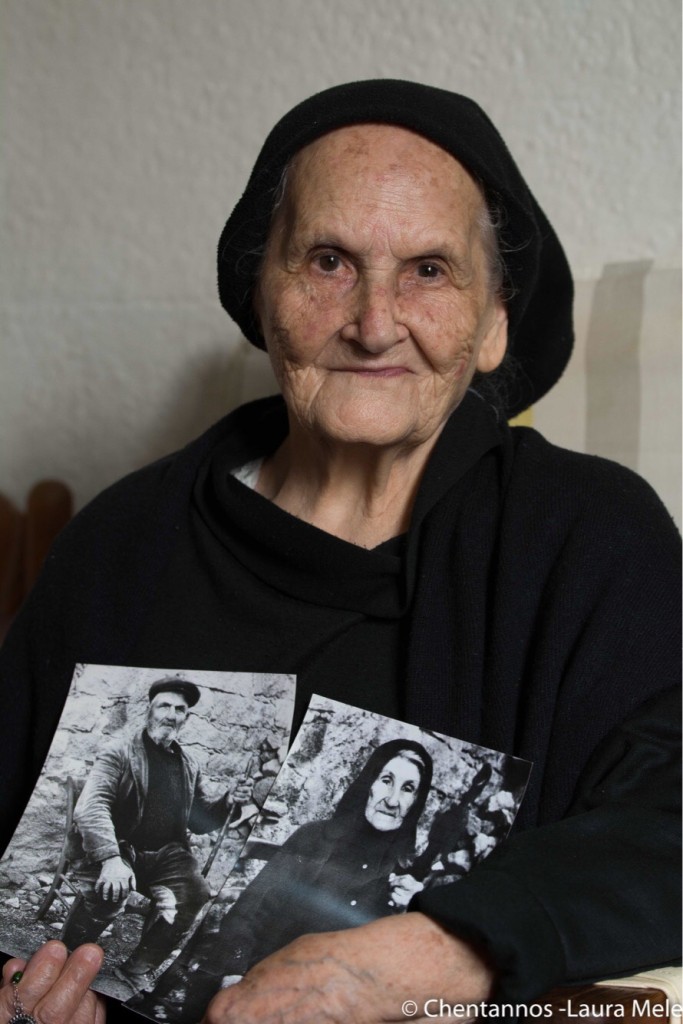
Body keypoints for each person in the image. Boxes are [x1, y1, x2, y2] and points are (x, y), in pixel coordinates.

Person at [0, 79, 679, 1024]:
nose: (373, 323)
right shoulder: (120, 544)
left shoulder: (589, 539)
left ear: (493, 323)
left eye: (429, 271)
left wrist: (433, 954)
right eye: (327, 261)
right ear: (263, 292)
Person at [140, 740, 433, 1021]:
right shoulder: (314, 838)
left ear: (415, 803)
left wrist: (406, 915)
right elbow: (250, 911)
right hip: (256, 977)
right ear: (369, 783)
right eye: (386, 780)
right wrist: (235, 976)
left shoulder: (402, 878)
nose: (392, 800)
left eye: (408, 788)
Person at [61, 678, 247, 996]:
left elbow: (199, 821)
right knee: (109, 891)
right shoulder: (119, 751)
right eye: (164, 706)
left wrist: (228, 801)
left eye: (179, 709)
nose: (171, 715)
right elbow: (92, 806)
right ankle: (68, 955)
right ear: (149, 710)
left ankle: (136, 967)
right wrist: (110, 858)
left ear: (186, 717)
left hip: (164, 856)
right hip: (118, 848)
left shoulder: (188, 764)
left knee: (195, 892)